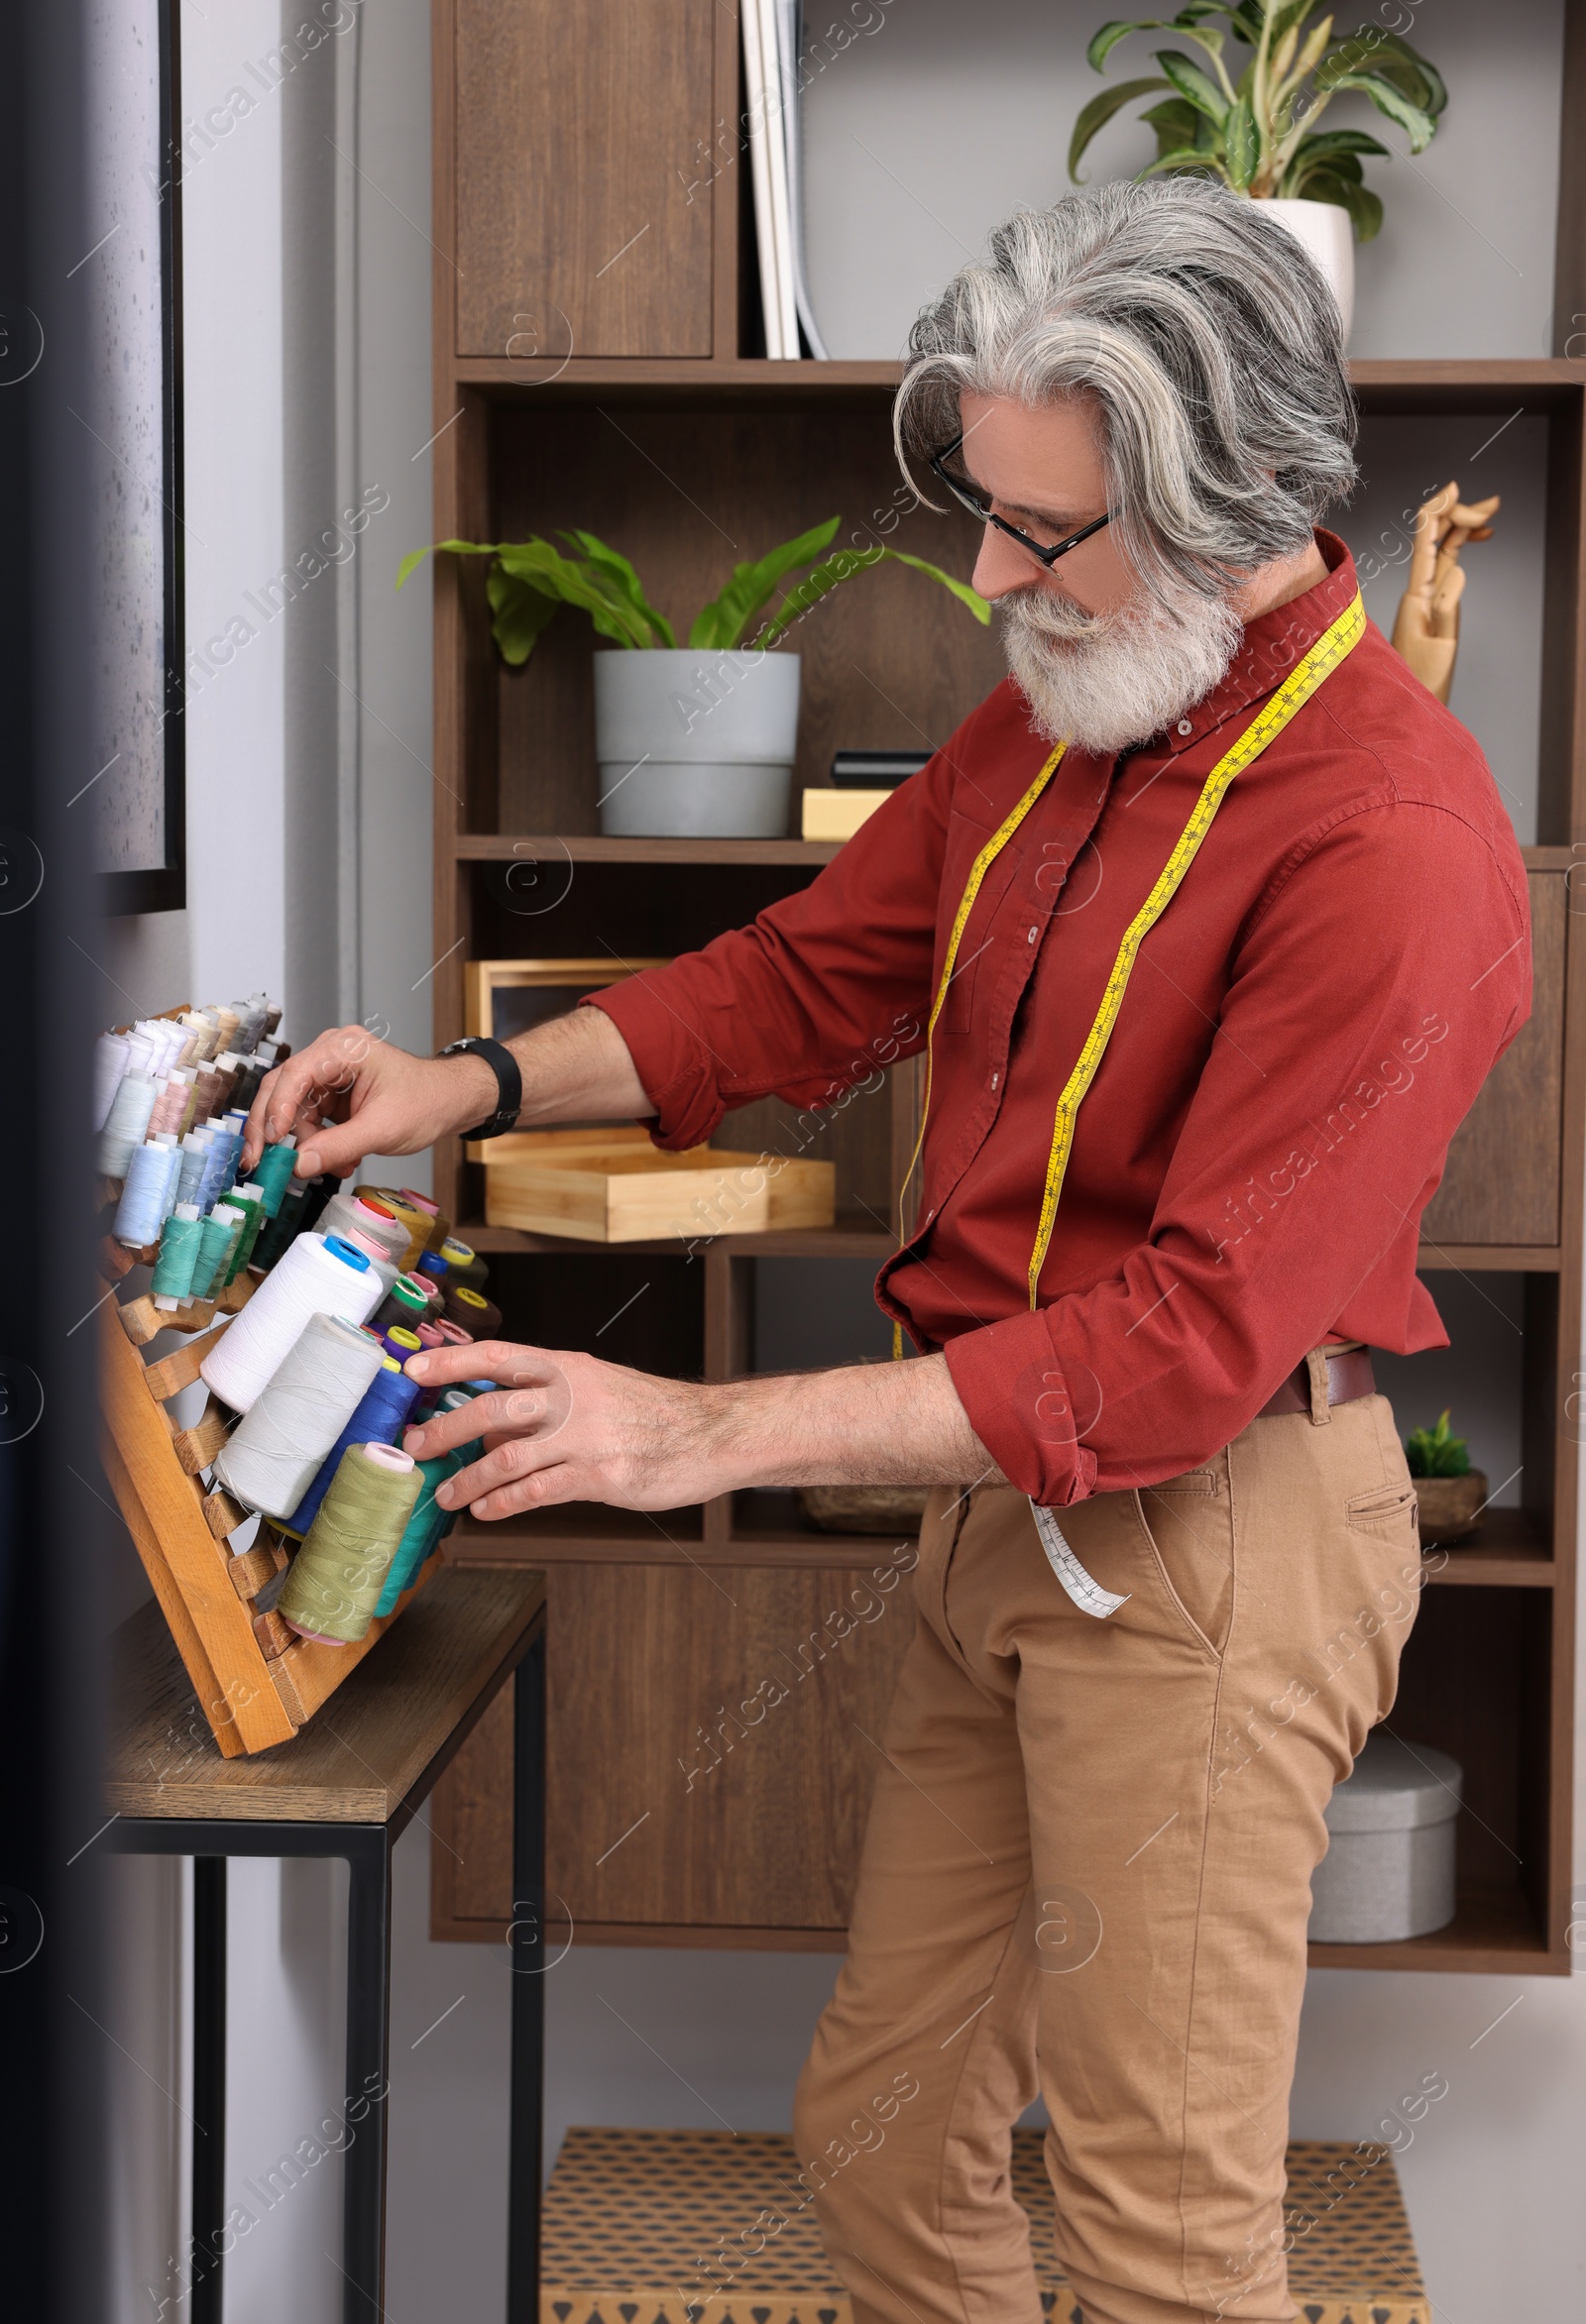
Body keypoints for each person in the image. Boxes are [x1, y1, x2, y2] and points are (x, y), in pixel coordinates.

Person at [244, 184, 1529, 2324]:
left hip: (1204, 1542)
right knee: (880, 2137)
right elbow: (802, 977)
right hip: (991, 1518)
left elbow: (1177, 1349)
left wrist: (699, 1430)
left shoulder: (1391, 844)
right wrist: (463, 1085)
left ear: (1238, 509)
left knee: (1162, 2244)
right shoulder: (1062, 702)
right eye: (987, 514)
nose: (987, 578)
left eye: (1045, 531)